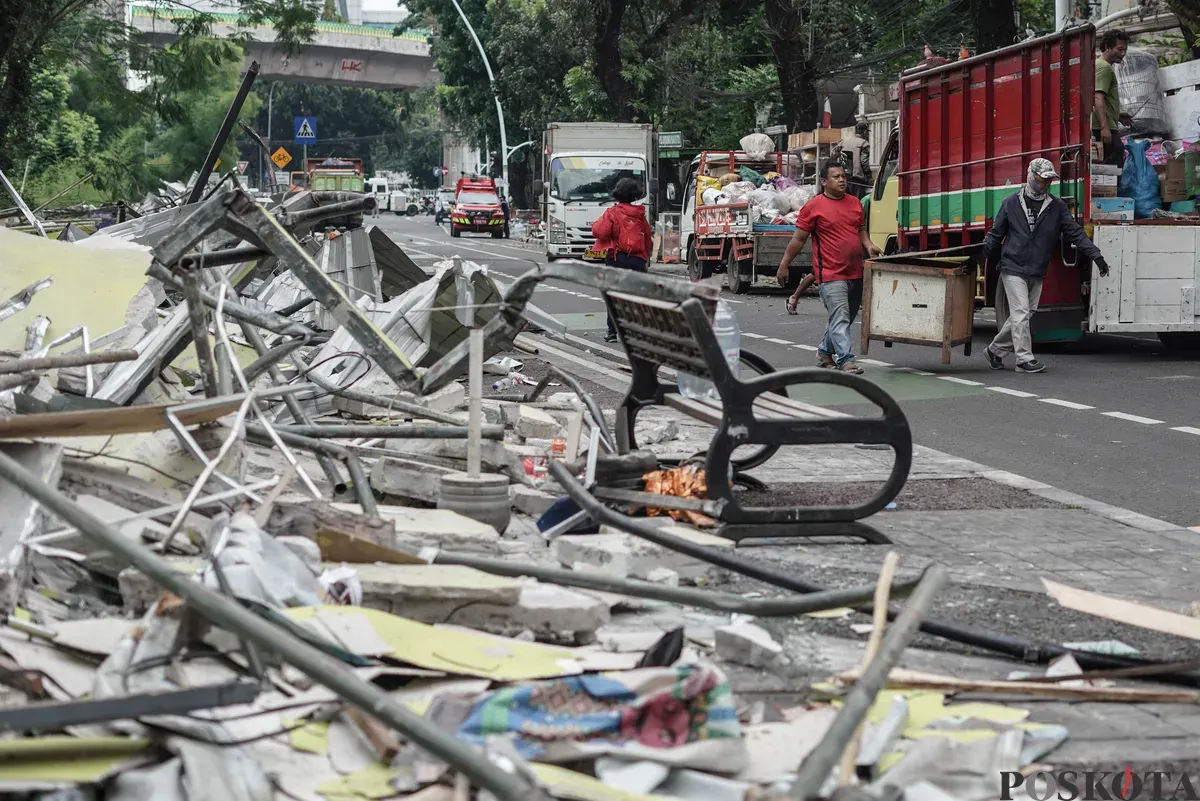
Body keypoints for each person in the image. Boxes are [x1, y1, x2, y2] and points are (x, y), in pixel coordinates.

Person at [983, 158, 1110, 374]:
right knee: (1021, 312)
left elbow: (1076, 233)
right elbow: (996, 234)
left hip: (1037, 269)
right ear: (1031, 176)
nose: (1046, 185)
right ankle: (1024, 359)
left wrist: (1096, 256)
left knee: (1025, 314)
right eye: (1043, 180)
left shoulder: (1056, 207)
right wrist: (985, 252)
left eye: (1049, 181)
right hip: (1012, 266)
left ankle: (994, 349)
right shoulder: (1011, 203)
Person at [777, 162, 882, 374]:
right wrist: (784, 265)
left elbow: (861, 231)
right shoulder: (813, 207)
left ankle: (824, 352)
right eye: (836, 177)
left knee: (845, 316)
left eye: (843, 176)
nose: (842, 179)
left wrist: (869, 245)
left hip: (855, 271)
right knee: (841, 315)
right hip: (831, 275)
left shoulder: (854, 204)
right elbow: (798, 240)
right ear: (824, 182)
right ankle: (846, 360)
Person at [593, 177, 653, 343]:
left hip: (616, 257)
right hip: (637, 259)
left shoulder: (612, 212)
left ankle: (612, 332)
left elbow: (600, 232)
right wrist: (645, 256)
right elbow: (648, 237)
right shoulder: (640, 215)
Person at [1093, 29, 1133, 167]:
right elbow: (1098, 97)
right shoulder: (1104, 67)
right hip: (1102, 128)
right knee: (1114, 163)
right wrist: (1104, 127)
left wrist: (1118, 116)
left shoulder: (1103, 66)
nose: (1123, 53)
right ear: (1107, 47)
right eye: (1120, 49)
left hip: (1107, 124)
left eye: (1125, 49)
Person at [838, 123, 872, 198]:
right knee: (857, 202)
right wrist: (869, 177)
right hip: (857, 179)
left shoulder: (844, 142)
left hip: (844, 177)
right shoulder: (863, 143)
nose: (868, 135)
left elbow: (833, 154)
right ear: (865, 132)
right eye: (867, 133)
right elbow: (864, 162)